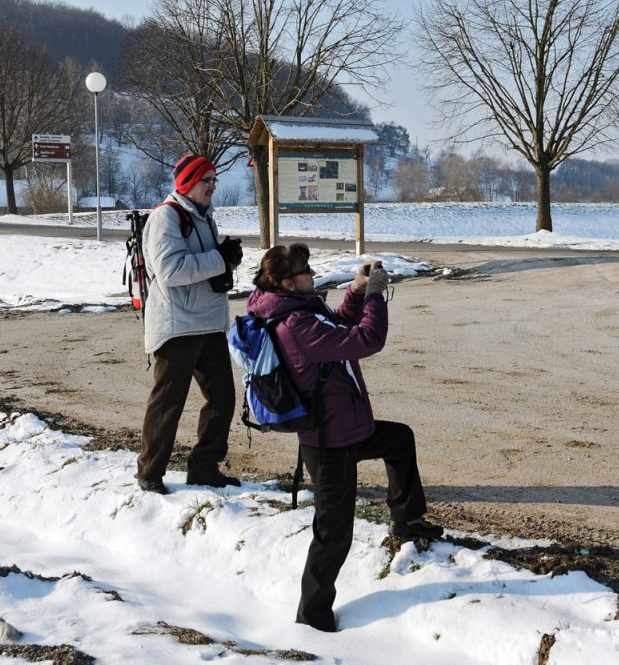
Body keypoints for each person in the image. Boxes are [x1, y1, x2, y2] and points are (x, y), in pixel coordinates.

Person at [246, 244, 443, 632]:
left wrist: (354, 290)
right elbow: (367, 339)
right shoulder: (295, 324)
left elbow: (336, 324)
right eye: (306, 271)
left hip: (346, 428)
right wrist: (375, 296)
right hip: (328, 443)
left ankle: (407, 520)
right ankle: (312, 617)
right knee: (333, 533)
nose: (313, 275)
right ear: (288, 282)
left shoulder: (296, 309)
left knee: (399, 440)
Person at [137, 154, 244, 494]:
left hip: (209, 324)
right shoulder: (165, 217)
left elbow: (202, 267)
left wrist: (227, 259)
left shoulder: (203, 218)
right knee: (168, 403)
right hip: (176, 325)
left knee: (223, 398)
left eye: (214, 180)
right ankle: (150, 473)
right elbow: (170, 270)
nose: (213, 186)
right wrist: (219, 258)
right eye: (206, 181)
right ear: (187, 184)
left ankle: (204, 468)